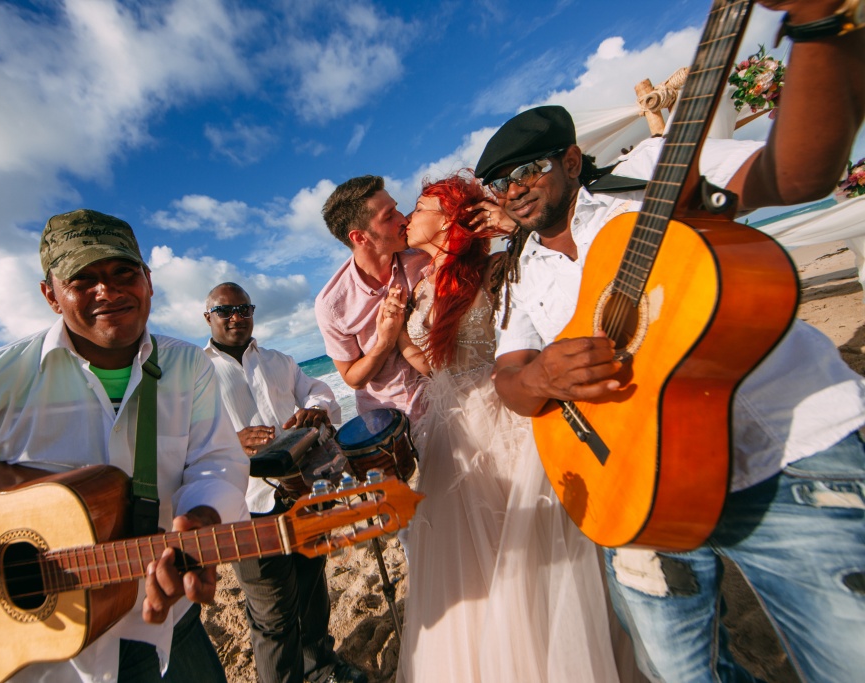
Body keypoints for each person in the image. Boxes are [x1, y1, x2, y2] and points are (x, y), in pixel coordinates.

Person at [479, 4, 865, 679]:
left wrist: (817, 25)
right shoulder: (518, 272)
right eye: (498, 182)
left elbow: (793, 175)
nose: (512, 191)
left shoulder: (654, 171)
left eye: (527, 170)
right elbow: (509, 377)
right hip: (636, 492)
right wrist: (541, 378)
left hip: (787, 457)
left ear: (571, 159)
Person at [0, 209, 250, 682]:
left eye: (123, 272)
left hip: (171, 628)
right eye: (83, 279)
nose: (108, 291)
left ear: (149, 281)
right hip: (43, 662)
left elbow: (216, 460)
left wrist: (203, 517)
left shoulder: (187, 367)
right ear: (51, 295)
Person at [392, 172, 638, 683]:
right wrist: (397, 338)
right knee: (465, 559)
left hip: (502, 414)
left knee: (528, 542)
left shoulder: (496, 269)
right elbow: (433, 363)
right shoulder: (419, 285)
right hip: (448, 430)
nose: (409, 217)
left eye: (419, 207)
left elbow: (546, 318)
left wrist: (511, 227)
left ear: (450, 218)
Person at [202, 282, 367, 683]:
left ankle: (320, 668)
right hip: (245, 507)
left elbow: (318, 391)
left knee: (311, 589)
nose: (236, 316)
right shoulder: (196, 373)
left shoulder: (279, 360)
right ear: (208, 318)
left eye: (244, 308)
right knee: (272, 615)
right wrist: (231, 442)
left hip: (303, 492)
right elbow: (184, 440)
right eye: (225, 310)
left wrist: (315, 410)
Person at [316, 175, 430, 424]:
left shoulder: (424, 255)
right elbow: (352, 378)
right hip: (387, 424)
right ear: (359, 238)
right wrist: (385, 342)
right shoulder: (332, 305)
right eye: (389, 216)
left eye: (396, 208)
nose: (403, 219)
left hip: (442, 401)